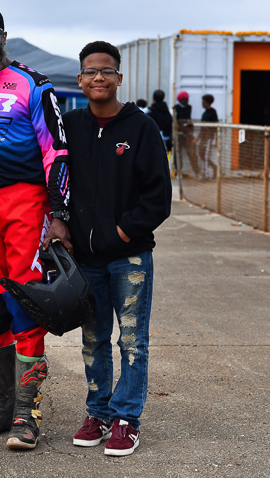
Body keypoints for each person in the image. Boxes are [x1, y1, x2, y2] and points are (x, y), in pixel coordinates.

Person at [0, 4, 70, 451]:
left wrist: (59, 214)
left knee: (23, 298)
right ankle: (0, 406)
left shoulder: (33, 83)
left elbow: (57, 150)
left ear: (3, 37)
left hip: (27, 202)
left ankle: (28, 414)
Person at [64, 41, 171, 457]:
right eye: (90, 71)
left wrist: (123, 233)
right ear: (80, 79)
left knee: (132, 340)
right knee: (93, 339)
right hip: (85, 260)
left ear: (119, 78)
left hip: (128, 258)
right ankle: (98, 412)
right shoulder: (71, 125)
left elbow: (158, 197)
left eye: (106, 71)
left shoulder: (140, 127)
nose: (98, 78)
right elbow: (55, 178)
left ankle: (127, 418)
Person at [174, 90, 199, 176]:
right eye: (186, 99)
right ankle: (178, 172)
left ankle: (196, 171)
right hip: (179, 134)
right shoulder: (175, 108)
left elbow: (189, 120)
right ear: (181, 100)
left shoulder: (189, 107)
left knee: (191, 152)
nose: (188, 100)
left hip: (188, 134)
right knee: (178, 153)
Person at [196, 93, 218, 178]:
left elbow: (215, 126)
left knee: (205, 154)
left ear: (208, 103)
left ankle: (206, 175)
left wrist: (216, 139)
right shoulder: (204, 113)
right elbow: (202, 127)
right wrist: (198, 137)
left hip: (209, 137)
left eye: (204, 102)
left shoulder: (213, 112)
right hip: (203, 137)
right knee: (201, 154)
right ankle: (214, 167)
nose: (202, 103)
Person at [149, 89, 173, 153]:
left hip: (154, 139)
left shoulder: (151, 111)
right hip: (166, 138)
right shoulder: (166, 111)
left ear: (153, 98)